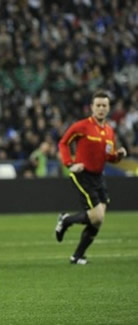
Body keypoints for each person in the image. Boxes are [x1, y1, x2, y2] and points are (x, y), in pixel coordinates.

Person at [55, 90, 127, 264]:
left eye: (104, 105)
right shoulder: (82, 126)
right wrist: (70, 163)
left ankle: (77, 256)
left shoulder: (109, 131)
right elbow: (63, 142)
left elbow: (108, 157)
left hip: (98, 176)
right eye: (98, 105)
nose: (101, 109)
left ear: (108, 108)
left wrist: (118, 156)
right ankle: (65, 220)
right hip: (82, 174)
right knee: (98, 216)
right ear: (92, 108)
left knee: (98, 221)